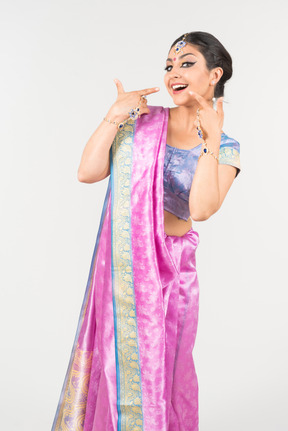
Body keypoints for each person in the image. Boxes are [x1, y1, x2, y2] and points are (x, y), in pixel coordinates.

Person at [51, 31, 241, 431]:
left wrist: (211, 140)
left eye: (187, 63)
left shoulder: (226, 147)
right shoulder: (142, 120)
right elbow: (88, 172)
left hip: (176, 271)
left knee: (167, 369)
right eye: (169, 65)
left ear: (214, 74)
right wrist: (115, 114)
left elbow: (203, 209)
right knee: (114, 362)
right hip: (125, 266)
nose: (174, 72)